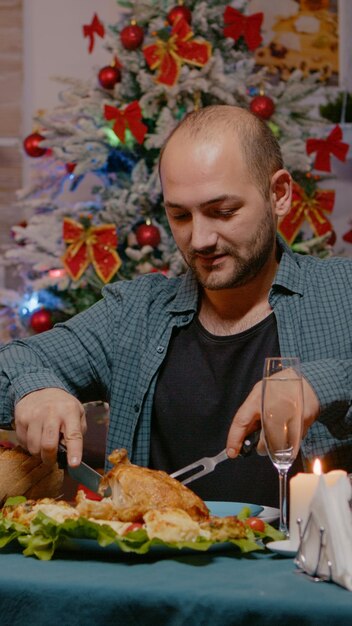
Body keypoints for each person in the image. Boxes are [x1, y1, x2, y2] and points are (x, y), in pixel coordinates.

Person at [0, 105, 351, 506]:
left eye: (223, 212)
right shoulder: (134, 313)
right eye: (180, 215)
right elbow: (13, 361)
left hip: (305, 567)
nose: (200, 239)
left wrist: (324, 385)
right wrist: (34, 389)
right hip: (158, 566)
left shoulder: (343, 292)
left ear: (279, 195)